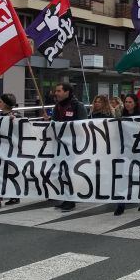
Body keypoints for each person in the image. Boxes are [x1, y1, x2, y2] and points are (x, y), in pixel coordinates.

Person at [49, 82, 87, 211]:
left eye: (59, 91)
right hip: (60, 146)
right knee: (62, 173)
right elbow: (54, 124)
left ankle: (71, 199)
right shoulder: (57, 106)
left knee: (71, 173)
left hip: (73, 146)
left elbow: (83, 126)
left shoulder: (78, 106)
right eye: (56, 91)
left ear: (67, 92)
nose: (56, 93)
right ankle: (65, 197)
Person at [114, 94, 140, 215]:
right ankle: (121, 204)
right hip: (127, 149)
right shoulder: (122, 116)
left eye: (130, 102)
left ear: (135, 103)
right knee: (124, 174)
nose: (127, 104)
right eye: (126, 102)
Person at [0, 94, 21, 210]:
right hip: (1, 149)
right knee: (1, 173)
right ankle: (7, 196)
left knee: (6, 173)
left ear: (6, 103)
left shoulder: (15, 116)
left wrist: (14, 121)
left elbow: (22, 129)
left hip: (11, 150)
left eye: (0, 101)